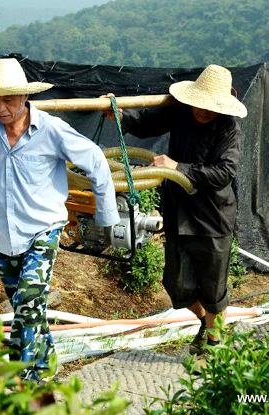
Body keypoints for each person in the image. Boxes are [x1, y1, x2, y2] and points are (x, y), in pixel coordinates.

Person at [0, 58, 120, 382]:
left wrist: (108, 219)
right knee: (29, 309)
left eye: (8, 99)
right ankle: (46, 364)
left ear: (25, 98)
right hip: (2, 236)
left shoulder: (50, 130)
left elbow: (95, 158)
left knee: (27, 302)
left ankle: (24, 380)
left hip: (43, 230)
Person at [102, 64, 247, 355]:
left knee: (212, 284)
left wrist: (177, 167)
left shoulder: (229, 129)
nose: (203, 111)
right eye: (200, 105)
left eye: (210, 107)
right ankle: (206, 323)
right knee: (176, 283)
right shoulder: (182, 110)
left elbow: (224, 173)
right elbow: (146, 123)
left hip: (212, 216)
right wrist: (121, 117)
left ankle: (215, 344)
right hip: (179, 210)